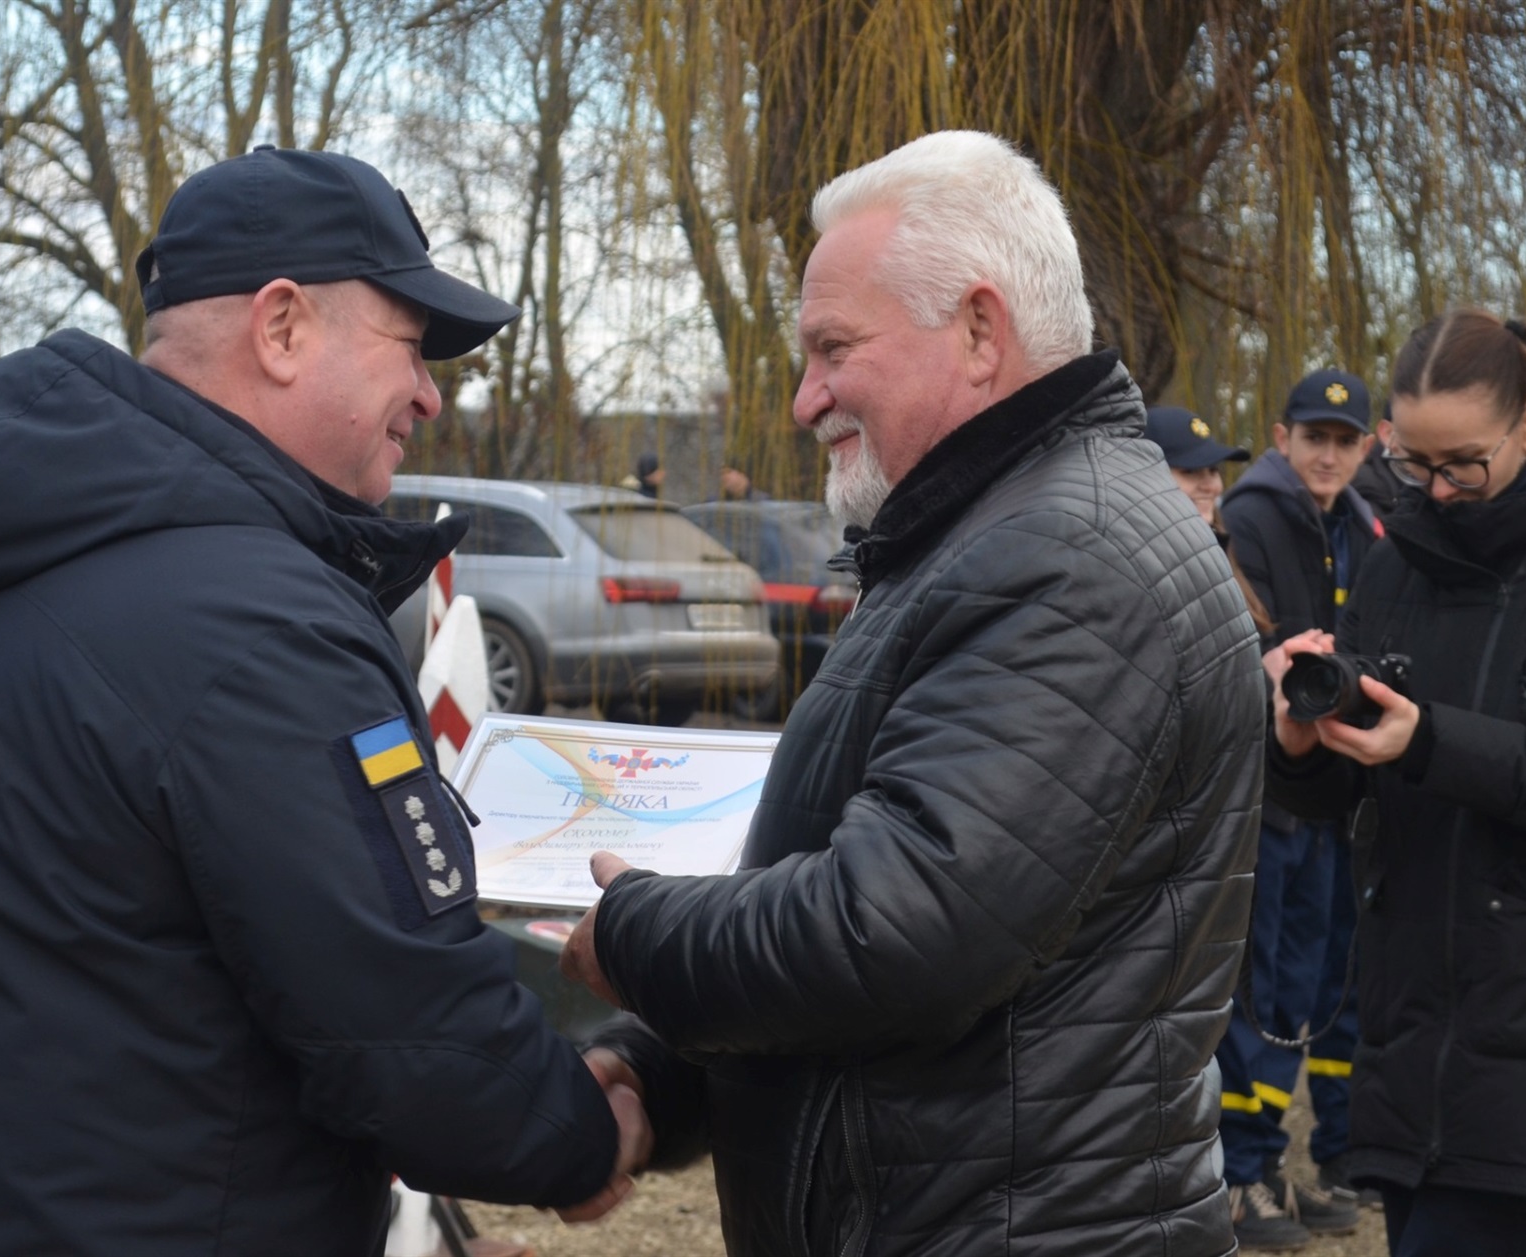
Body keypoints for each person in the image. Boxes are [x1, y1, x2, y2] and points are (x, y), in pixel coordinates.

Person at [0, 147, 645, 1256]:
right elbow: (418, 1045)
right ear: (283, 327)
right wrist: (589, 1129)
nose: (429, 395)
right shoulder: (254, 625)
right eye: (409, 347)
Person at [558, 130, 1262, 1255]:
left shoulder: (1064, 556)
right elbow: (907, 924)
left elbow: (899, 935)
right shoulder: (984, 536)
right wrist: (658, 1069)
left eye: (833, 347)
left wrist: (637, 934)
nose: (803, 399)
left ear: (980, 330)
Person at [1264, 310, 1526, 1257]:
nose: (1439, 491)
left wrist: (1432, 741)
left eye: (1463, 466)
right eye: (1414, 465)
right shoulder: (1394, 562)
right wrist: (1298, 741)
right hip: (1410, 1046)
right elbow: (1346, 794)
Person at [1217, 369, 1379, 1246]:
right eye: (1313, 436)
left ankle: (1274, 1161)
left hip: (1331, 792)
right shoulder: (1253, 518)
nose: (1327, 453)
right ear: (1281, 437)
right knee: (1264, 989)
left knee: (1312, 989)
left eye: (1344, 440)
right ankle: (1241, 1175)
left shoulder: (1356, 524)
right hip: (1271, 793)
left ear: (1364, 447)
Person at [1144, 403, 1273, 637]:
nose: (1211, 486)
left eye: (1213, 470)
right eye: (1190, 471)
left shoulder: (1221, 550)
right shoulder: (1143, 569)